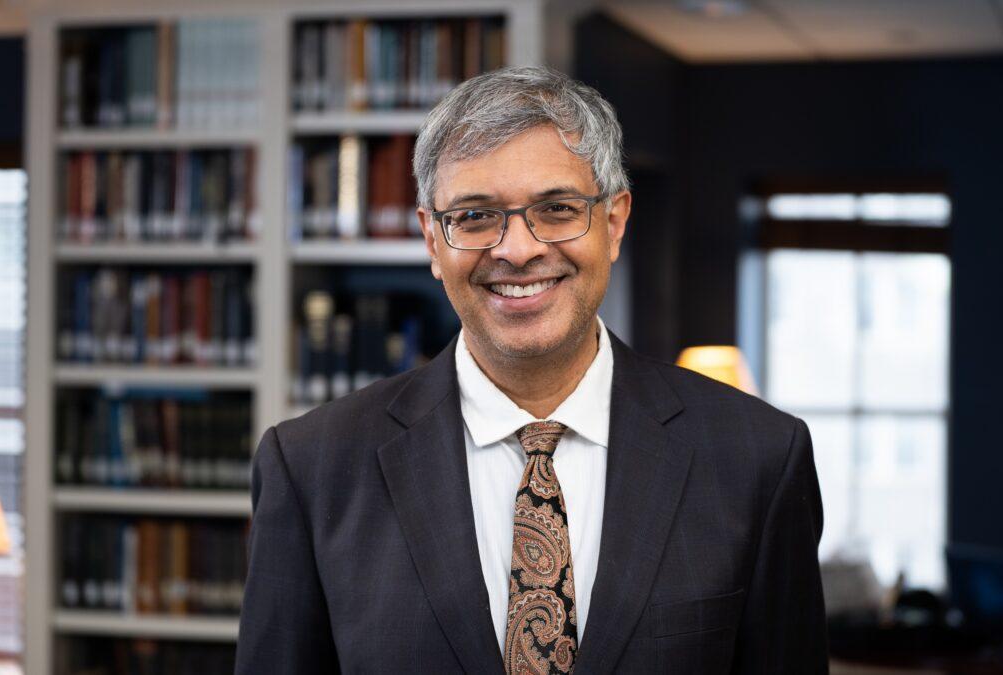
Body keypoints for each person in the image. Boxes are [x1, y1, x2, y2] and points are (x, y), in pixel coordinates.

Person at [235, 65, 828, 674]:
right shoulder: (312, 468)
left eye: (558, 208)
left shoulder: (757, 459)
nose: (517, 250)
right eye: (473, 216)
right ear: (431, 241)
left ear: (615, 221)